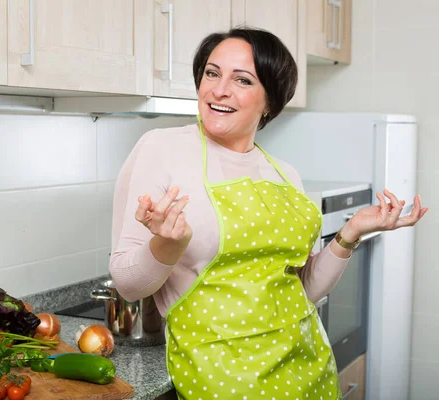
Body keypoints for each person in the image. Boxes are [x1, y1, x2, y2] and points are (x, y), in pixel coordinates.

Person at [109, 27, 428, 399]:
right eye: (212, 73)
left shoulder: (283, 173)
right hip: (222, 382)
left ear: (270, 101)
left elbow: (301, 289)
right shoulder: (161, 149)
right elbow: (128, 285)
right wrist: (167, 244)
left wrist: (350, 233)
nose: (219, 89)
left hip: (307, 369)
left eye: (241, 79)